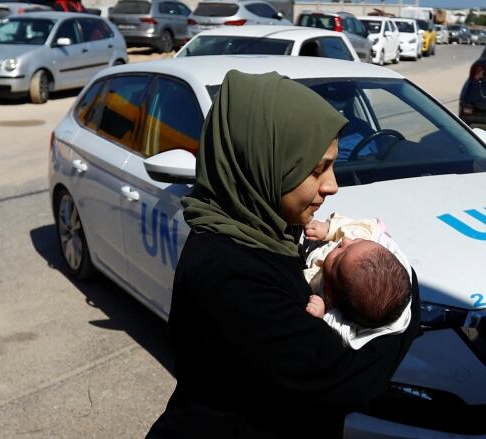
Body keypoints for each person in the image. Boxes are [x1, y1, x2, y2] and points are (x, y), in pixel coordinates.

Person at [147, 70, 420, 439]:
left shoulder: (271, 230)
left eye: (333, 165)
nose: (332, 186)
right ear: (262, 161)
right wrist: (405, 305)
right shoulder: (229, 271)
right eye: (316, 169)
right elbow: (346, 378)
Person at [301, 213, 412, 350]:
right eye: (357, 242)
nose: (345, 241)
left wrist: (321, 313)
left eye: (338, 257)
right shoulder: (367, 240)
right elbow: (354, 227)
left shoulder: (328, 299)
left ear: (331, 293)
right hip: (318, 233)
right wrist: (328, 230)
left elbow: (331, 330)